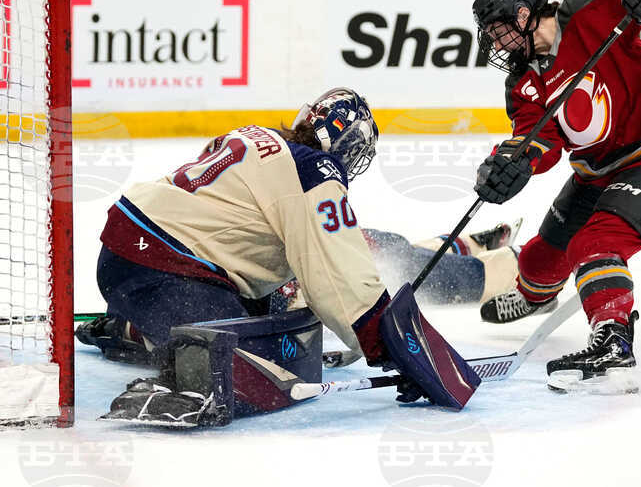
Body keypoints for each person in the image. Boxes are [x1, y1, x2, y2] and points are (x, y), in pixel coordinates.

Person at [79, 89, 480, 426]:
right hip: (166, 267)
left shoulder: (260, 137)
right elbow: (340, 281)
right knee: (253, 365)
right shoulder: (314, 171)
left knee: (268, 315)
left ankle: (132, 327)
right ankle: (163, 359)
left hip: (130, 251)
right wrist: (393, 348)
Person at [470, 0, 641, 391]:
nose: (495, 44)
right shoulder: (521, 82)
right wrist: (514, 163)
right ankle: (533, 297)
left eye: (498, 31)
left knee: (593, 245)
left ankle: (613, 337)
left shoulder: (587, 9)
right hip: (596, 173)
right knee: (540, 258)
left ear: (523, 14)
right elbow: (540, 139)